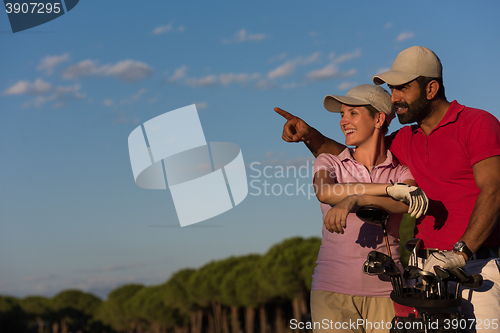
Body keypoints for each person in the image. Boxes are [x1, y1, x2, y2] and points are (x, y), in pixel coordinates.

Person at [276, 46, 500, 332]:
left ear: (431, 88)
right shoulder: (405, 139)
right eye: (392, 90)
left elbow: (494, 190)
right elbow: (355, 152)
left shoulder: (477, 123)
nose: (394, 99)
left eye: (402, 89)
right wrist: (310, 136)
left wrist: (461, 253)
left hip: (474, 267)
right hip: (422, 272)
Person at [308, 84, 428, 333]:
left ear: (379, 118)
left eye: (352, 113)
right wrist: (386, 189)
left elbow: (407, 202)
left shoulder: (401, 171)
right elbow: (326, 192)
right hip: (332, 292)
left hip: (388, 294)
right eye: (342, 114)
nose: (343, 121)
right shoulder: (328, 161)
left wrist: (354, 199)